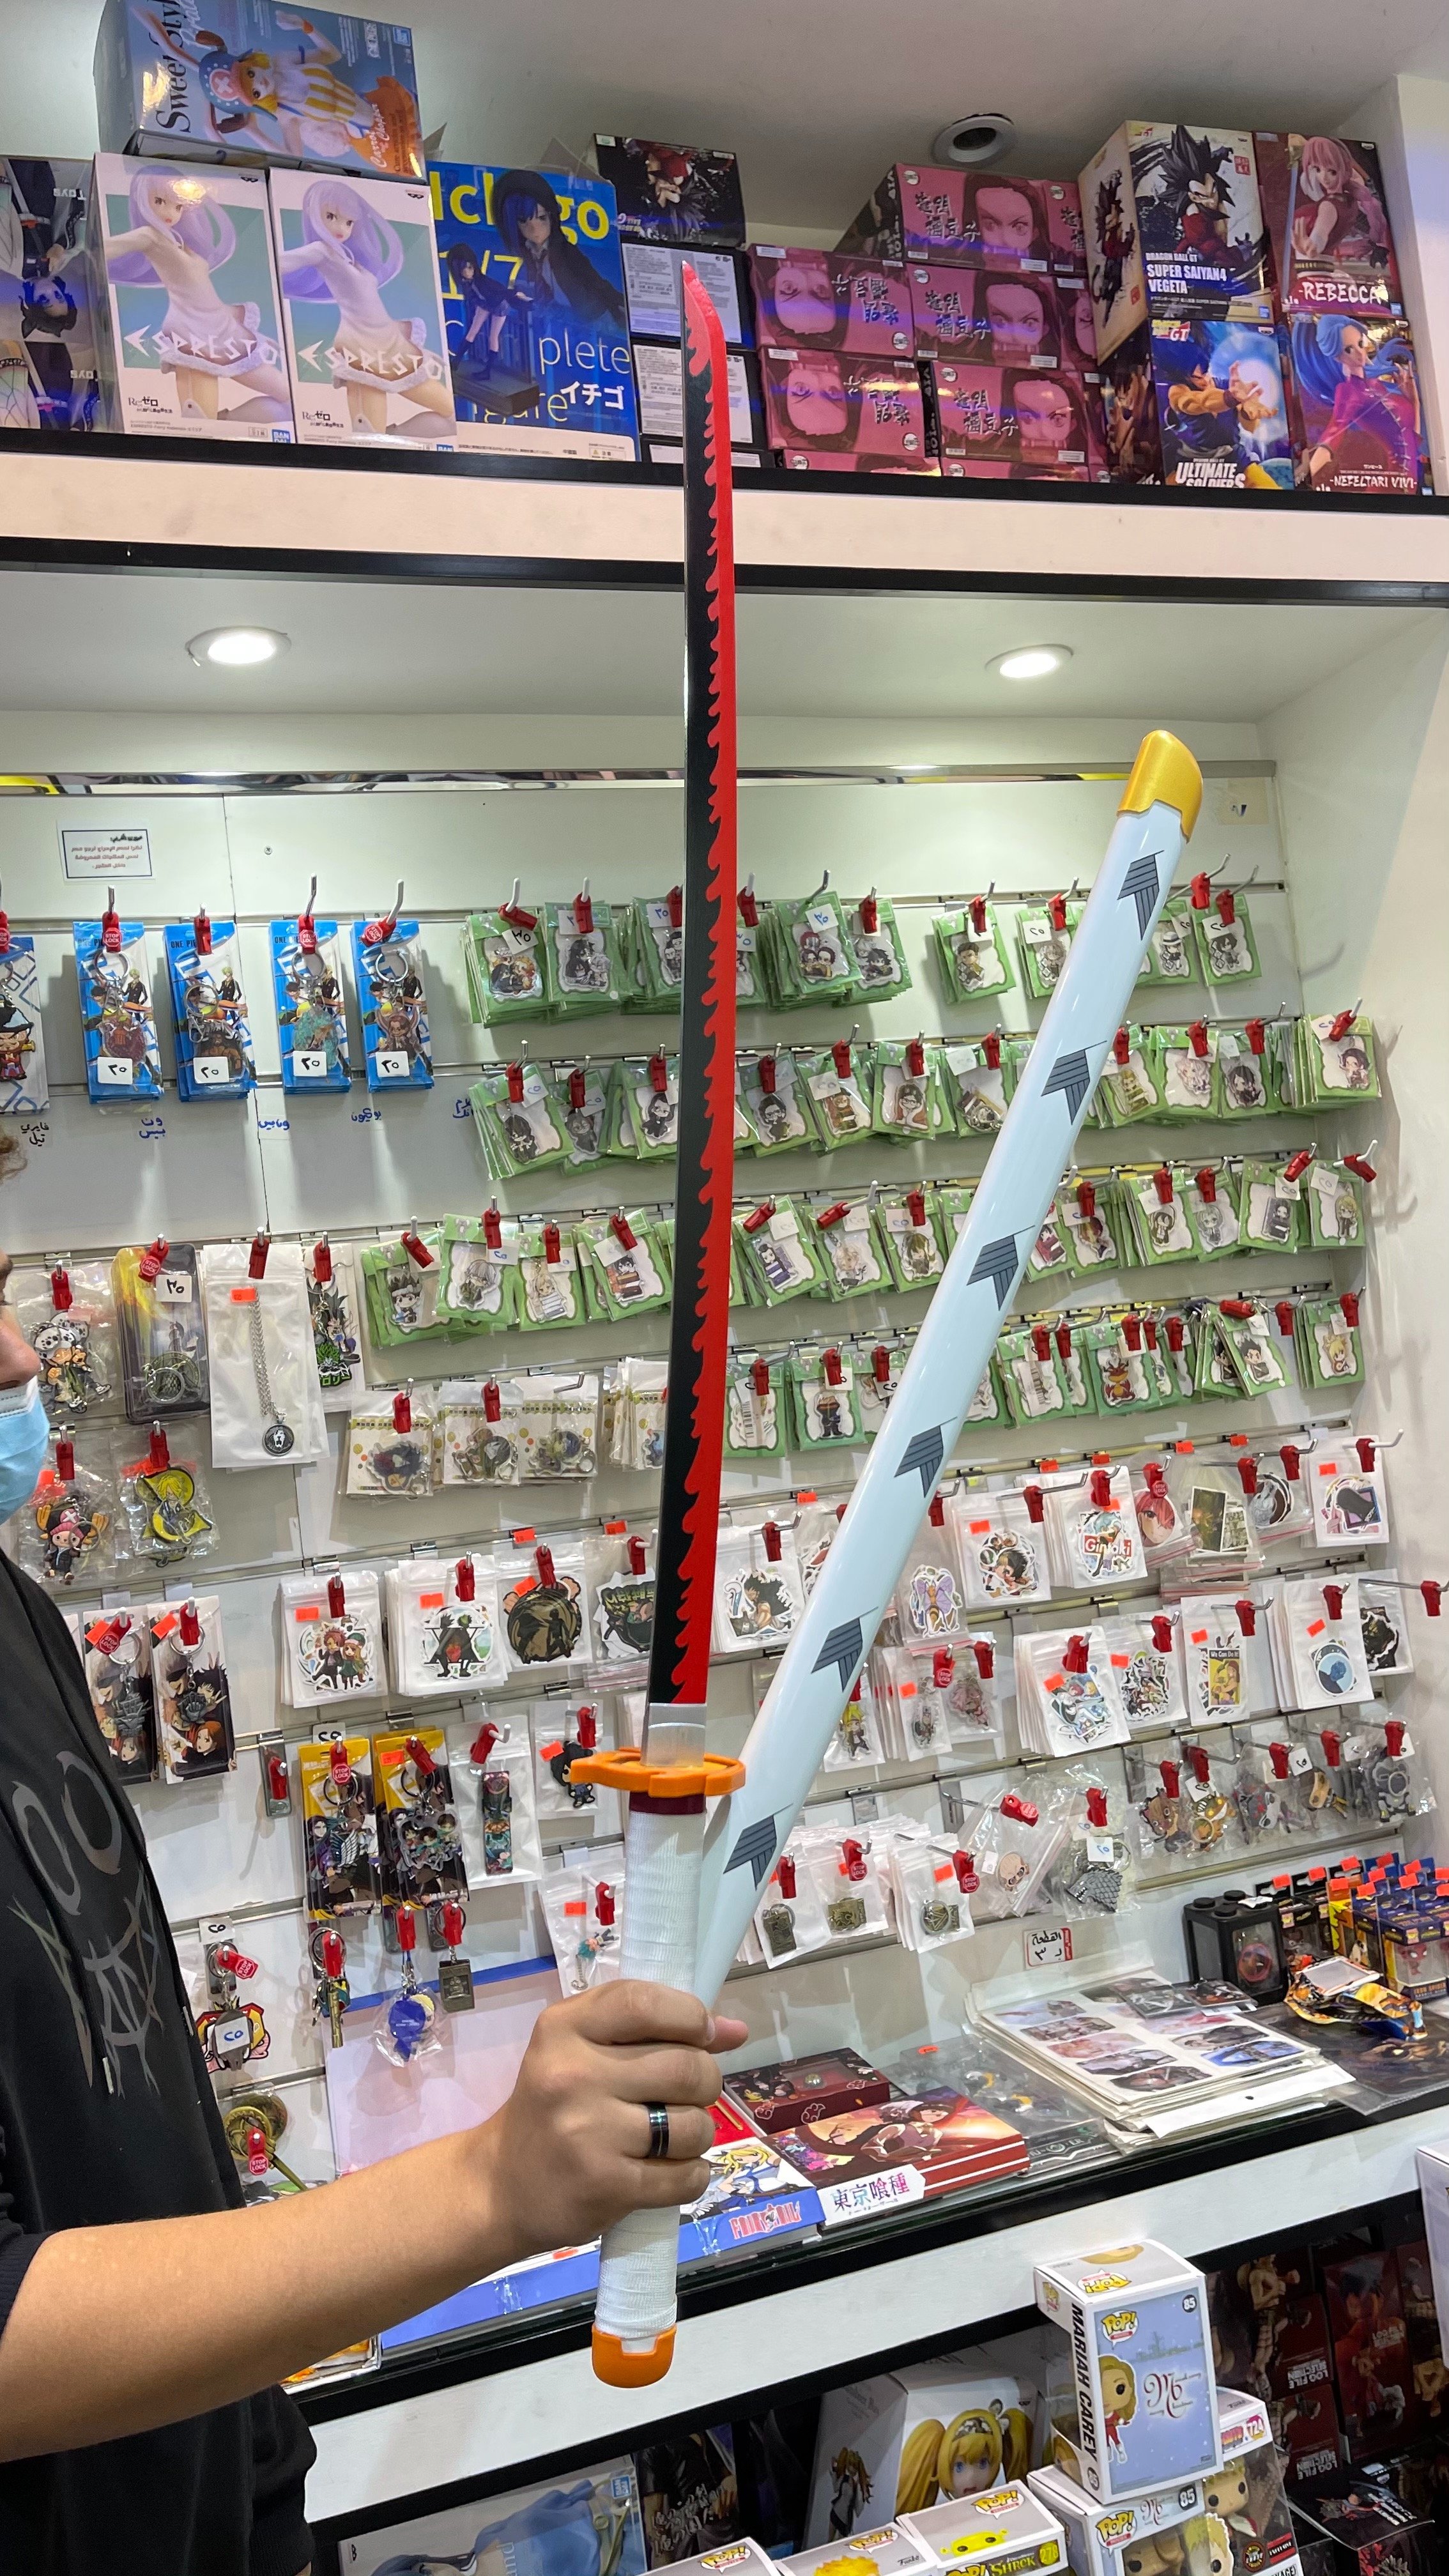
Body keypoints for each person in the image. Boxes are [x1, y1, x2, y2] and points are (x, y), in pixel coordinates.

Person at [0, 1206, 747, 2576]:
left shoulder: (13, 1617)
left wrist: (262, 2489)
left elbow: (150, 2110)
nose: (13, 1359)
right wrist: (491, 2183)